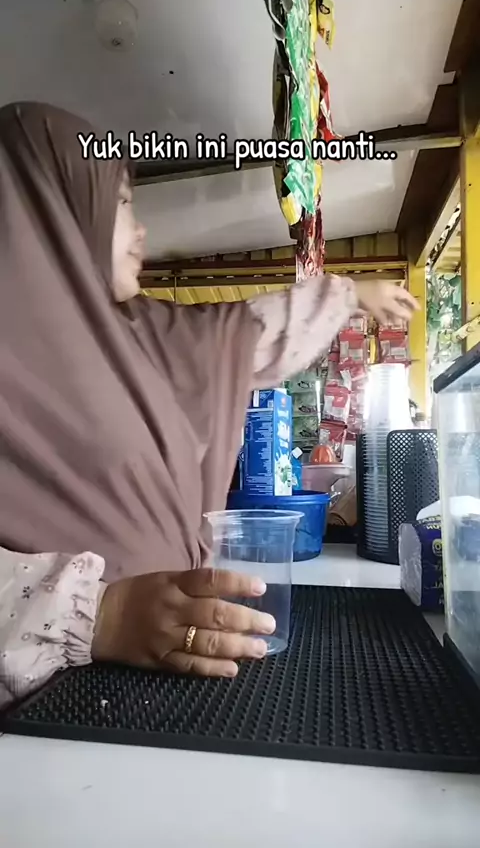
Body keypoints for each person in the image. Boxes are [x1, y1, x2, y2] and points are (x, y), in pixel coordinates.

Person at [0, 102, 419, 708]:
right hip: (40, 722)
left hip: (160, 687)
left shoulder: (138, 334)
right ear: (49, 210)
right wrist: (101, 613)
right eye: (121, 203)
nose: (140, 231)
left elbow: (239, 335)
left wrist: (349, 296)